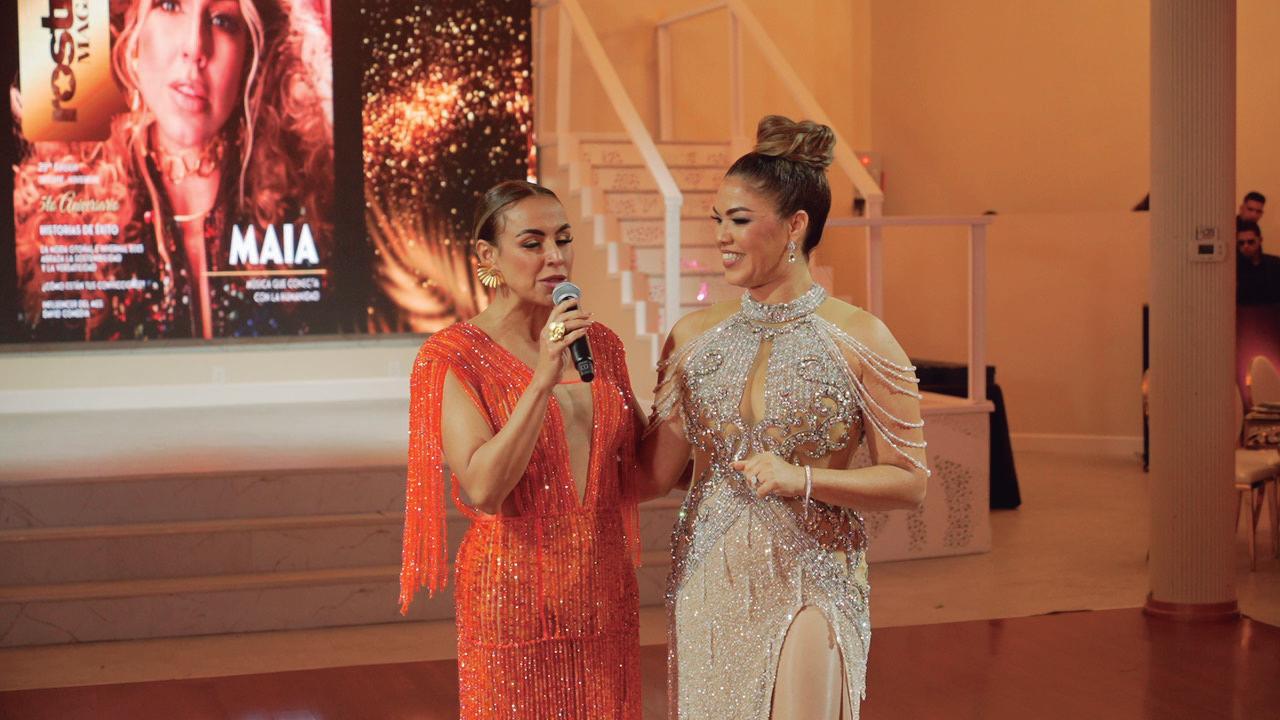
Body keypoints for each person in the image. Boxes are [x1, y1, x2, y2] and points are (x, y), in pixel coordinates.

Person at [638, 116, 930, 719]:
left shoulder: (861, 338)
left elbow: (910, 481)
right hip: (710, 574)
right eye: (717, 220)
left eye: (739, 220)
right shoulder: (692, 339)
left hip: (814, 572)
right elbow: (653, 475)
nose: (722, 236)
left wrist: (804, 479)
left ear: (796, 225)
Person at [399, 180, 644, 718]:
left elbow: (641, 476)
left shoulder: (600, 345)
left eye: (563, 239)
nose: (555, 256)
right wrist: (542, 379)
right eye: (532, 243)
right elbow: (484, 488)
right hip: (513, 595)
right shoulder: (452, 356)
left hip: (603, 590)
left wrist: (689, 397)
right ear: (488, 255)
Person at [12, 0, 333, 340]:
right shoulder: (59, 212)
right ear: (130, 27)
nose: (195, 48)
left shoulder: (311, 199)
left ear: (253, 51)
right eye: (169, 5)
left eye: (222, 20)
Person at [1237, 218, 1280, 305]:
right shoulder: (1233, 268)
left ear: (1260, 240)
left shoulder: (1276, 265)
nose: (1245, 246)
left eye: (1251, 242)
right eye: (1241, 243)